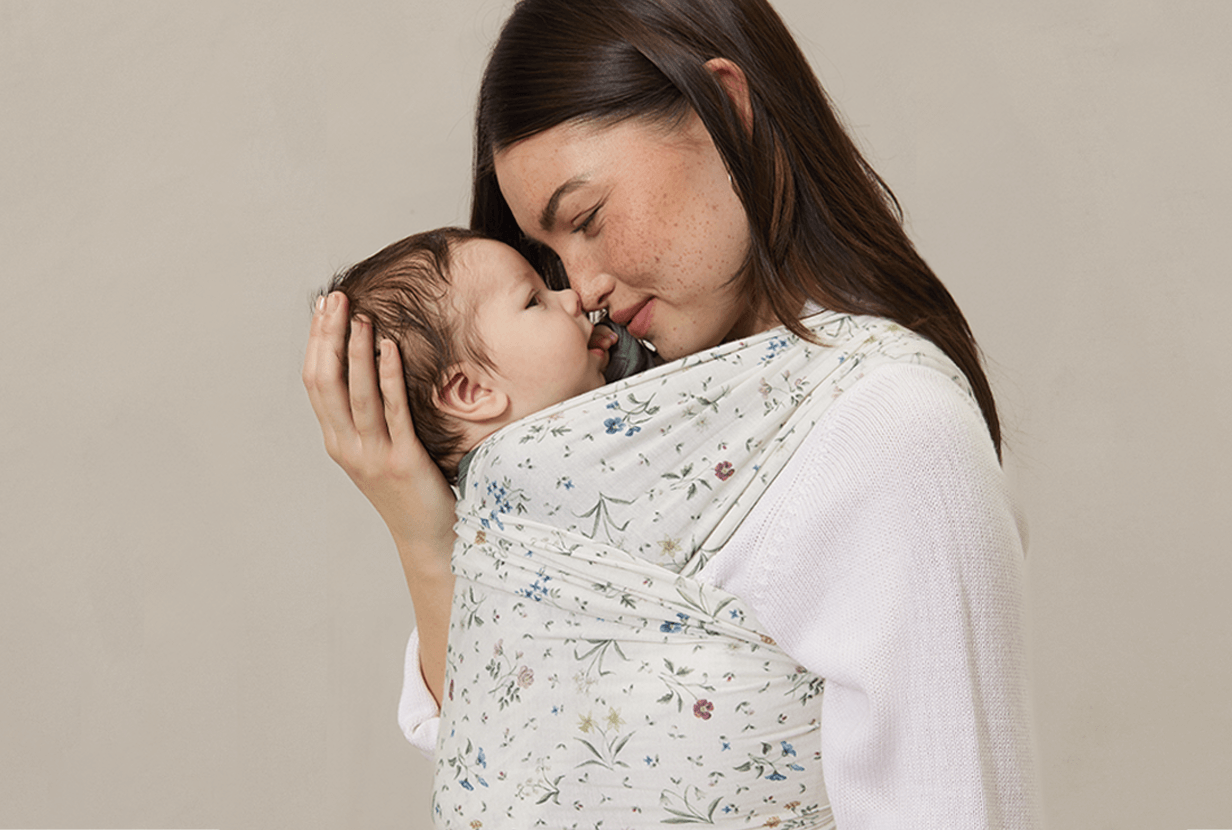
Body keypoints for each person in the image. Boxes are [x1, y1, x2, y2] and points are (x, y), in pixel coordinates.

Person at [300, 0, 1035, 827]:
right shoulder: (610, 443)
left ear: (724, 114)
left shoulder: (889, 431)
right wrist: (425, 537)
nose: (580, 285)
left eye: (587, 219)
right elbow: (512, 762)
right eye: (551, 254)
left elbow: (951, 805)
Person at [316, 226, 621, 484]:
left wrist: (624, 358)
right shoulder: (524, 494)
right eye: (533, 301)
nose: (572, 297)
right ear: (471, 391)